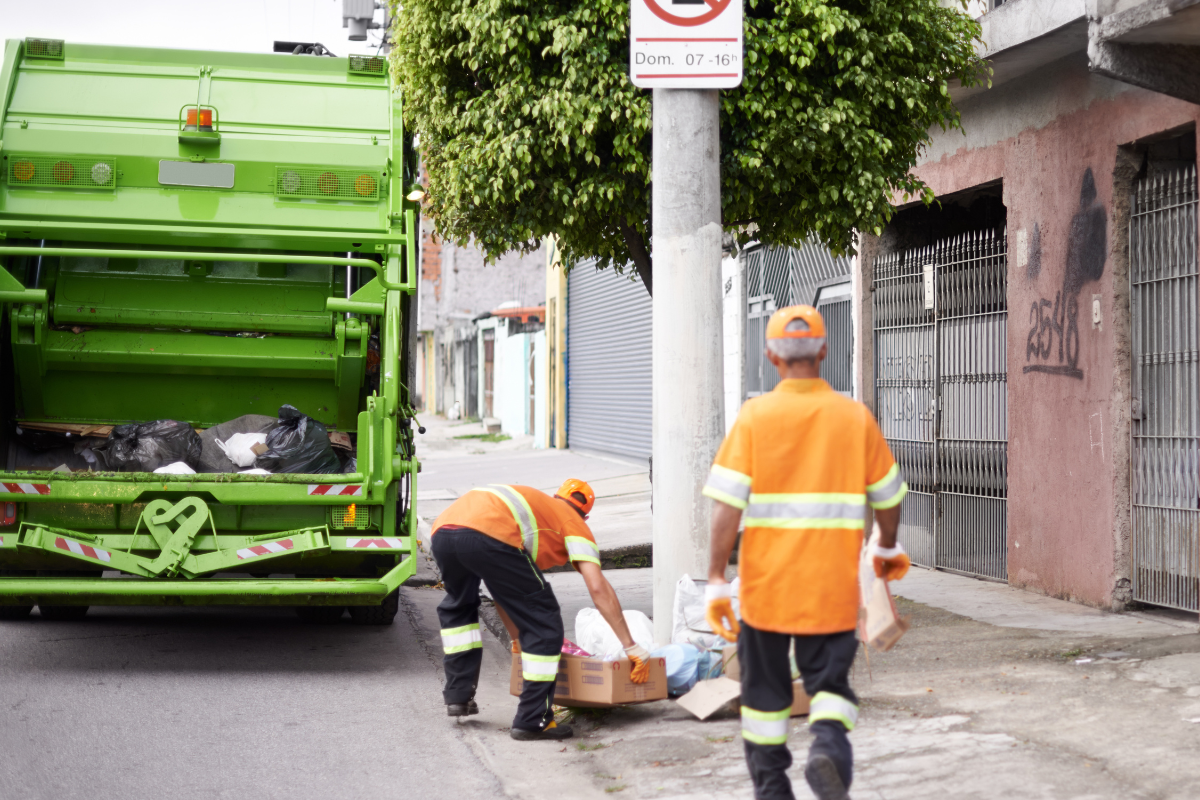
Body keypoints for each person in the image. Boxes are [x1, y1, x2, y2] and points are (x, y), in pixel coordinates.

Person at [703, 305, 911, 800]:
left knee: (764, 700)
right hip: (832, 590)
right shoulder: (853, 416)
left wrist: (714, 578)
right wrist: (885, 544)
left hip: (765, 592)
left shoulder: (754, 417)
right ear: (823, 350)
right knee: (830, 688)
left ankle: (773, 789)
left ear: (771, 355)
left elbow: (727, 509)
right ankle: (827, 750)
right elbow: (889, 496)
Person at [430, 479, 651, 740]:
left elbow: (505, 591)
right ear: (586, 514)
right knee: (545, 624)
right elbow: (598, 587)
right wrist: (630, 646)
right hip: (488, 535)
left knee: (460, 608)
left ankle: (458, 695)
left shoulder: (539, 507)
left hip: (443, 530)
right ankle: (534, 720)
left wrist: (516, 639)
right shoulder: (574, 524)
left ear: (557, 496)